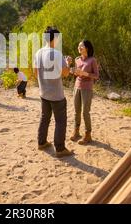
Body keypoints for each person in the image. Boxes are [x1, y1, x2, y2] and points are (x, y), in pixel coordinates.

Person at [34, 27, 74, 158]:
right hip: (56, 95)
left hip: (43, 93)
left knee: (45, 118)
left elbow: (35, 72)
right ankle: (60, 149)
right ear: (55, 38)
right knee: (60, 121)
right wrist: (67, 62)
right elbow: (66, 73)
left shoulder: (38, 52)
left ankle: (42, 142)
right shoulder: (57, 54)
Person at [70, 40, 99, 144]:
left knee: (85, 112)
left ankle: (88, 135)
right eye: (78, 46)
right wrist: (73, 72)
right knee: (76, 111)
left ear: (87, 48)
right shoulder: (77, 59)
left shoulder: (92, 60)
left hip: (87, 88)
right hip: (77, 87)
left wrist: (85, 74)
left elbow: (96, 76)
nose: (79, 48)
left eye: (81, 46)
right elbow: (77, 74)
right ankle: (76, 131)